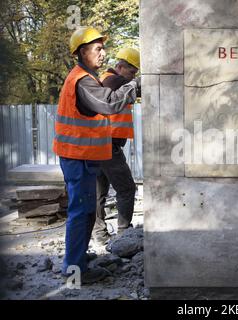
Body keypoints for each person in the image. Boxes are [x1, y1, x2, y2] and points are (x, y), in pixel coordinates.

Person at [53, 27, 141, 284]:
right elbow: (109, 104)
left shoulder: (86, 77)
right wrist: (133, 85)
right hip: (77, 155)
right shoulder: (82, 80)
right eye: (97, 49)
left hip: (85, 154)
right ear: (82, 52)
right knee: (81, 212)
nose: (103, 53)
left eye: (103, 48)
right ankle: (74, 270)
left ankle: (78, 260)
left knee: (88, 210)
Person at [93, 48, 140, 245]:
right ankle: (124, 234)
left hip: (101, 144)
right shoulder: (110, 79)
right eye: (131, 72)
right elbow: (133, 86)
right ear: (120, 67)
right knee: (127, 188)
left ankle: (101, 235)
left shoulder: (113, 82)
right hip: (107, 145)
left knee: (99, 192)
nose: (133, 76)